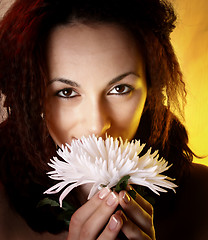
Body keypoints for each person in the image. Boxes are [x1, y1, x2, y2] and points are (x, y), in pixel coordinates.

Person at [0, 0, 208, 239]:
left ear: (151, 90)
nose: (97, 126)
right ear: (33, 99)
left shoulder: (202, 195)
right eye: (66, 92)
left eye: (120, 89)